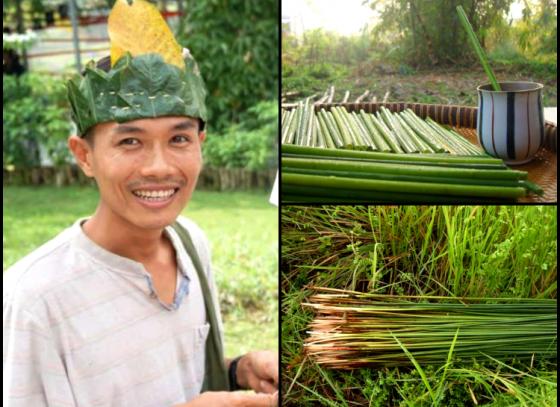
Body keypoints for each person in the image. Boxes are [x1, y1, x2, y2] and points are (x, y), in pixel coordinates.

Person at [2, 1, 278, 406]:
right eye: (130, 141)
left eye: (179, 138)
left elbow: (160, 371)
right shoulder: (33, 302)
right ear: (84, 155)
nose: (159, 167)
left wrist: (237, 370)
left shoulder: (190, 244)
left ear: (200, 144)